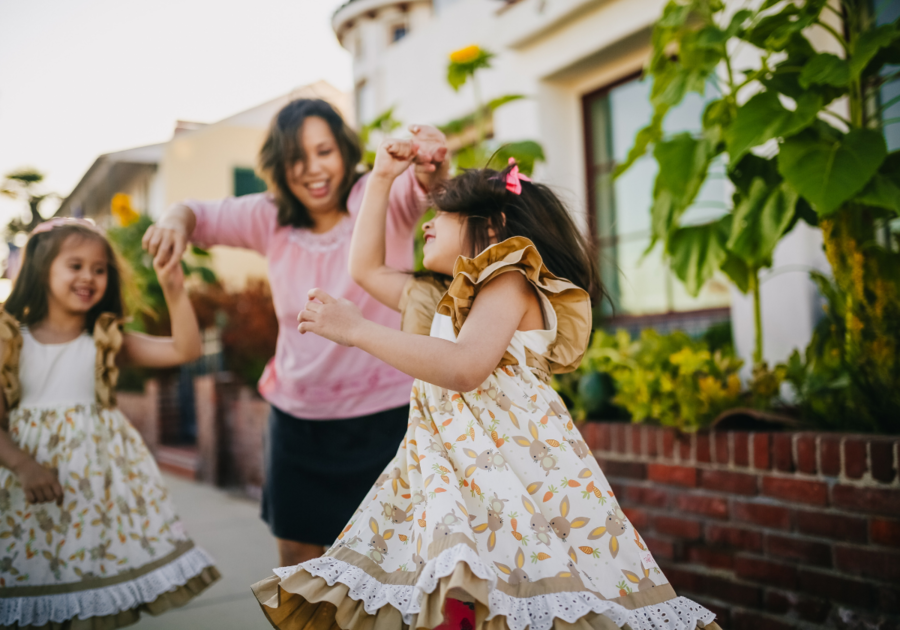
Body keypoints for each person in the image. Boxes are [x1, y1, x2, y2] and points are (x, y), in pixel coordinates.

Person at [250, 142, 723, 630]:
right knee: (465, 598)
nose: (426, 224)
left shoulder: (511, 279)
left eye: (444, 213)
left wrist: (358, 331)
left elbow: (465, 365)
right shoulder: (442, 300)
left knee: (524, 597)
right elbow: (365, 268)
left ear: (492, 225)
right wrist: (382, 178)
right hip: (457, 476)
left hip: (516, 481)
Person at [142, 99, 448, 567]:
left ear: (345, 151)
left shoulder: (378, 192)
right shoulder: (270, 217)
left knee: (397, 568)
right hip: (297, 423)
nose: (312, 169)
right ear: (279, 168)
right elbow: (193, 212)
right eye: (295, 159)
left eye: (323, 151)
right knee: (300, 571)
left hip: (390, 419)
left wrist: (430, 161)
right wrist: (173, 222)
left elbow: (426, 185)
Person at [0, 218, 219, 630]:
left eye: (100, 269)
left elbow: (185, 349)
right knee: (34, 582)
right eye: (76, 265)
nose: (89, 277)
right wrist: (23, 465)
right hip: (25, 489)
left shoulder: (105, 339)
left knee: (86, 592)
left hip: (93, 495)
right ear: (40, 269)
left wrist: (173, 285)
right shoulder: (10, 339)